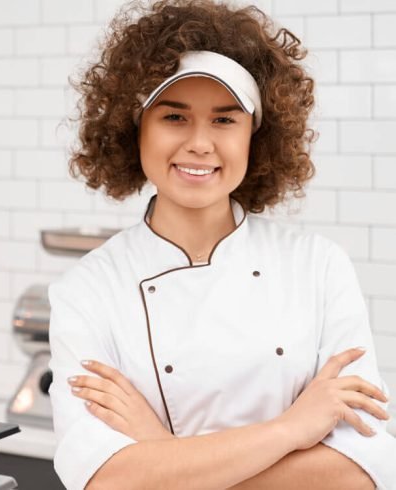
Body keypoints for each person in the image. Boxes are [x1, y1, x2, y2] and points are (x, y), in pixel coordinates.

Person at [48, 0, 396, 489]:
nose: (200, 143)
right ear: (135, 129)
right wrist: (292, 429)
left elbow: (362, 473)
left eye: (225, 120)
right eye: (174, 117)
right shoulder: (87, 290)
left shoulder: (317, 266)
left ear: (256, 136)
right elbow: (105, 481)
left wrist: (164, 459)